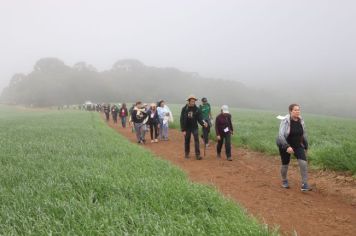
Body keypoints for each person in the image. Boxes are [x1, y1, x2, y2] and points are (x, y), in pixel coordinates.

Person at [276, 104, 311, 191]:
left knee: (303, 163)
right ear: (290, 111)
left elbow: (303, 134)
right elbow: (281, 135)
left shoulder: (301, 121)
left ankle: (304, 184)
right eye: (295, 110)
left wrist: (306, 146)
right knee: (285, 164)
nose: (297, 111)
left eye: (298, 110)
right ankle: (284, 180)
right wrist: (287, 146)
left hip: (297, 145)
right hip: (285, 144)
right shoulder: (285, 121)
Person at [180, 95, 207, 160]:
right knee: (187, 140)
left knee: (196, 140)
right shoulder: (184, 109)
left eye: (194, 101)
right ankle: (187, 153)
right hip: (187, 128)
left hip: (194, 127)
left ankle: (197, 155)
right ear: (189, 101)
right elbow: (182, 119)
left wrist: (204, 123)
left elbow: (200, 118)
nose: (193, 102)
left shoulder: (197, 109)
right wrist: (183, 130)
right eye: (192, 101)